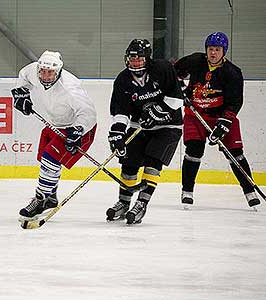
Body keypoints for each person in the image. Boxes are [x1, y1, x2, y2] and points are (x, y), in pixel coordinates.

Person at [174, 32, 260, 209]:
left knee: (235, 154)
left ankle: (249, 191)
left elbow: (235, 102)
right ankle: (187, 191)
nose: (213, 53)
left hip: (220, 117)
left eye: (217, 49)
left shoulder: (233, 72)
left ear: (224, 51)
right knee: (194, 150)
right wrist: (179, 88)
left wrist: (224, 123)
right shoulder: (196, 61)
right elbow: (173, 72)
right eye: (210, 49)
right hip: (195, 114)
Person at [11, 50, 97, 220]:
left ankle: (41, 199)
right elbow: (23, 76)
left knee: (50, 159)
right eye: (43, 71)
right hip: (55, 124)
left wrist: (77, 131)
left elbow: (89, 114)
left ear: (58, 72)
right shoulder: (33, 71)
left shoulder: (70, 88)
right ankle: (50, 198)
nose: (46, 76)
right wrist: (21, 93)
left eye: (50, 72)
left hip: (78, 129)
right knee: (45, 159)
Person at [106, 39, 183, 224]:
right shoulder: (123, 79)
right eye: (132, 59)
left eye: (139, 59)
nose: (135, 63)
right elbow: (121, 111)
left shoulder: (162, 69)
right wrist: (117, 133)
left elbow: (177, 98)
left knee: (153, 162)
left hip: (168, 125)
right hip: (139, 125)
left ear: (147, 59)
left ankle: (142, 203)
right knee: (129, 163)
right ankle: (124, 203)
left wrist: (158, 112)